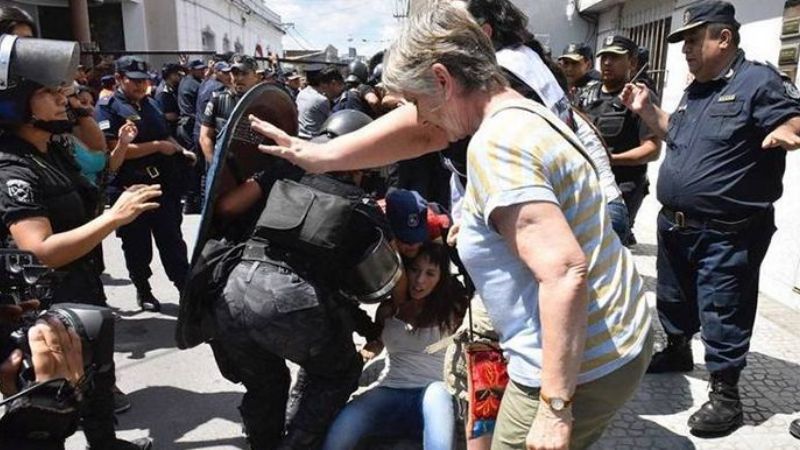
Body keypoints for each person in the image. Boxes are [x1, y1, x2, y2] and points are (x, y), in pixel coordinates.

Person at [255, 3, 652, 449]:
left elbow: (562, 272)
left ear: (444, 81)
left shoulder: (496, 144)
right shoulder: (516, 105)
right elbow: (429, 135)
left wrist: (554, 407)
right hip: (614, 337)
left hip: (576, 363)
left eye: (416, 101)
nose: (419, 115)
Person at [620, 0, 800, 435]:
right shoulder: (696, 89)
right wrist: (647, 111)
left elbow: (792, 122)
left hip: (728, 230)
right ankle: (677, 348)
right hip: (677, 225)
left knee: (723, 308)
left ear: (724, 38)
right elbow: (677, 135)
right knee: (674, 296)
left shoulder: (758, 81)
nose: (685, 50)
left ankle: (726, 395)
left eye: (693, 40)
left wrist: (786, 132)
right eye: (683, 42)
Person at [0, 36, 157, 450]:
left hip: (81, 284)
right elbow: (40, 249)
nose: (62, 100)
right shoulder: (11, 166)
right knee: (51, 408)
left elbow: (96, 169)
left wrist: (113, 206)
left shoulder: (50, 149)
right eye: (48, 93)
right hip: (45, 303)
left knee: (97, 382)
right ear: (15, 103)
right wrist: (113, 218)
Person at [322, 242, 467, 450]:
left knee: (437, 393)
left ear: (441, 278)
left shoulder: (453, 310)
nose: (420, 280)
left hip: (436, 394)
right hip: (392, 388)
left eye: (430, 273)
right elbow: (378, 343)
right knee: (341, 431)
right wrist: (366, 352)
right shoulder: (388, 310)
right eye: (415, 270)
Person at [95, 56, 195, 312]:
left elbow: (166, 134)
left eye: (144, 81)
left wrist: (180, 150)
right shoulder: (107, 107)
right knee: (137, 245)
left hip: (161, 184)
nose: (141, 85)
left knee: (172, 240)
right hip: (130, 187)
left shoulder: (151, 104)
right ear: (119, 79)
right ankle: (144, 289)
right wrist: (157, 147)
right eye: (134, 81)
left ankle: (186, 290)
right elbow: (113, 150)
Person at [579, 35, 661, 246]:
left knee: (609, 248)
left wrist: (611, 159)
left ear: (632, 63)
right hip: (586, 184)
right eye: (604, 57)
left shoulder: (639, 97)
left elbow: (652, 149)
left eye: (615, 57)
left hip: (622, 187)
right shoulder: (585, 95)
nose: (607, 62)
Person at [198, 54, 261, 163]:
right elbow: (205, 136)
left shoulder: (265, 102)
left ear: (256, 76)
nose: (239, 78)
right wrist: (215, 166)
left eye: (244, 73)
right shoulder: (218, 100)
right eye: (235, 73)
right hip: (225, 165)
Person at [176, 59, 207, 214]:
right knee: (195, 164)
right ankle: (192, 201)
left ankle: (191, 201)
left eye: (203, 69)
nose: (202, 71)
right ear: (191, 70)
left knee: (191, 164)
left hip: (185, 125)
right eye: (199, 69)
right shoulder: (194, 84)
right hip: (189, 126)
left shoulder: (186, 81)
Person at [296, 65, 338, 139]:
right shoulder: (321, 99)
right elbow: (331, 120)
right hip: (314, 139)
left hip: (300, 135)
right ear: (322, 81)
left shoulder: (301, 93)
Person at [155, 62, 183, 138]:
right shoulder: (163, 92)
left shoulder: (172, 87)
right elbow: (166, 115)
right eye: (176, 74)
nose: (179, 76)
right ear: (170, 75)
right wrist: (181, 116)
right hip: (169, 129)